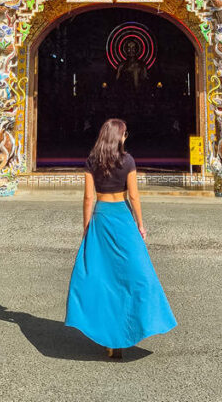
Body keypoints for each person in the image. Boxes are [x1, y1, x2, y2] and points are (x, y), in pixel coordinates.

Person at [65, 118, 176, 359]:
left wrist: (87, 226)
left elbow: (88, 198)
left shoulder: (91, 161)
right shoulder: (128, 161)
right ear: (119, 137)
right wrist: (140, 224)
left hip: (101, 217)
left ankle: (109, 338)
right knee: (136, 274)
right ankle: (124, 332)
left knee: (102, 277)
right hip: (123, 218)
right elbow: (134, 197)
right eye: (125, 134)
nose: (126, 137)